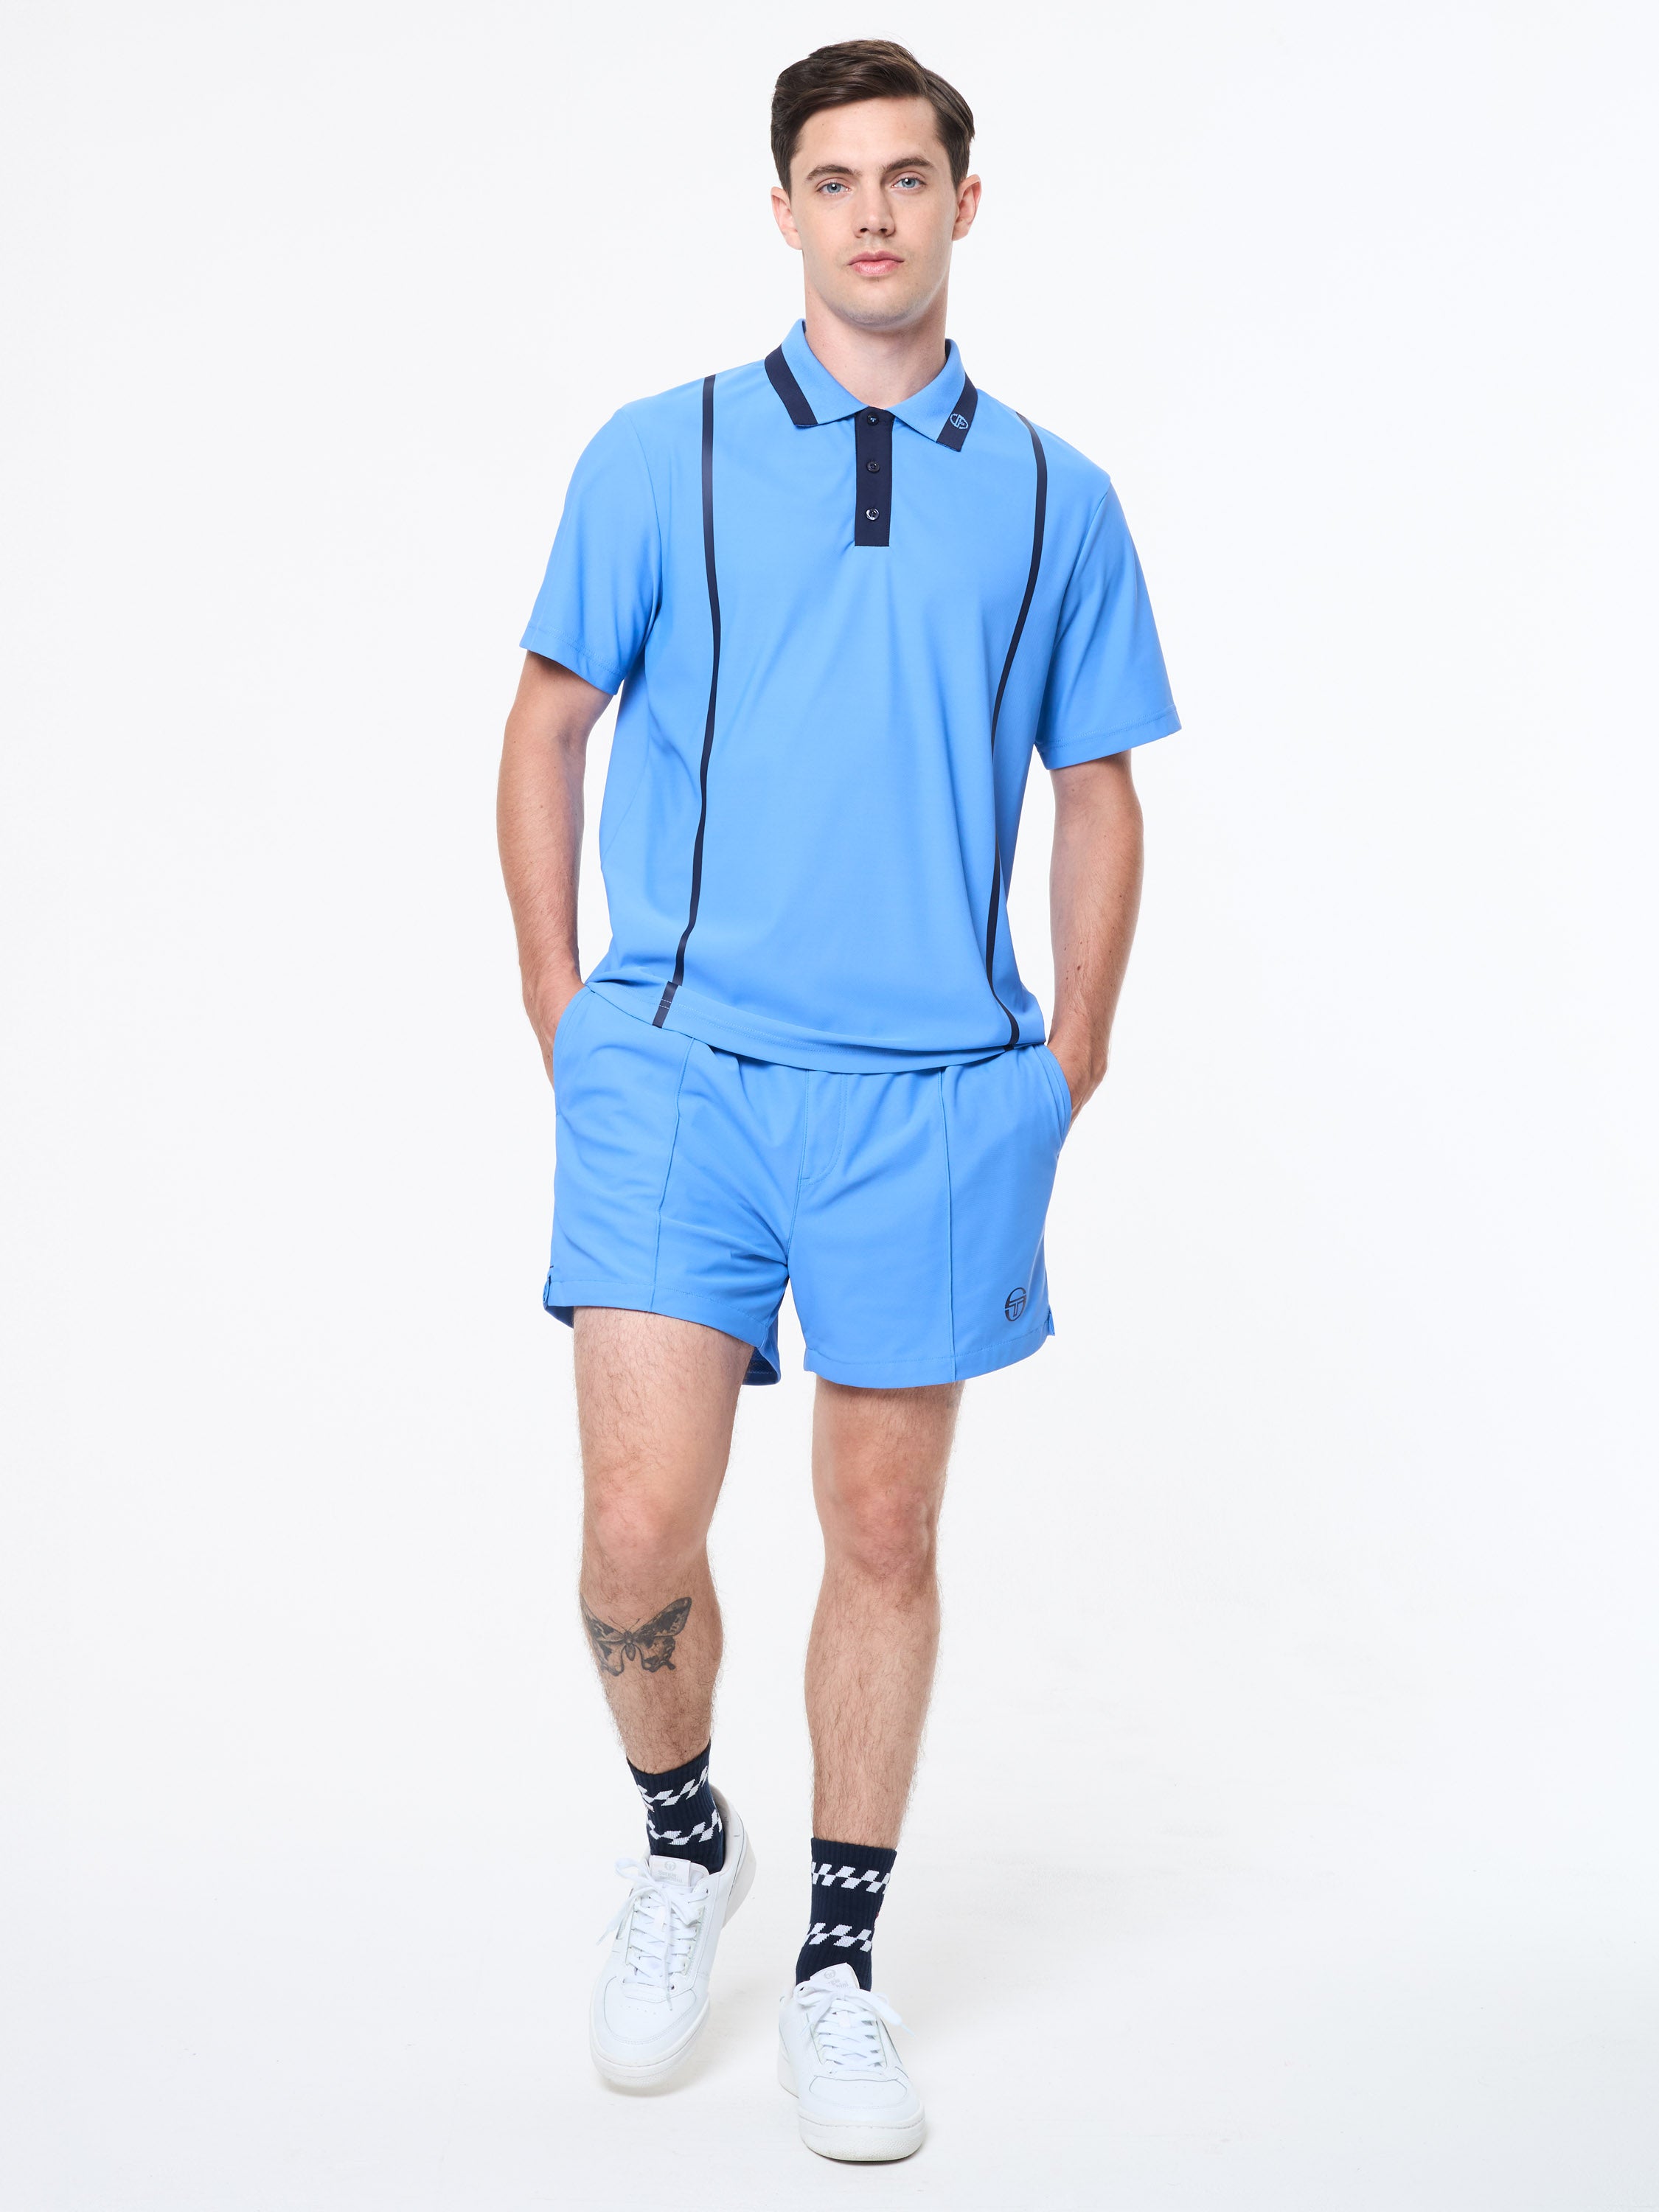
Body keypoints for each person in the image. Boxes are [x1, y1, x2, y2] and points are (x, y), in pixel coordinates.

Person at [497, 37, 1178, 2163]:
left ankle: (836, 1962)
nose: (870, 212)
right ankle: (683, 1837)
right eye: (831, 178)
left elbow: (1099, 787)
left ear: (964, 204)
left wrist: (1070, 1053)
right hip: (680, 1075)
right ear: (781, 210)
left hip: (931, 1101)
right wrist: (566, 1011)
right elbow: (544, 725)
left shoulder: (1059, 497)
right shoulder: (661, 454)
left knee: (883, 1533)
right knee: (637, 1527)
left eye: (905, 176)